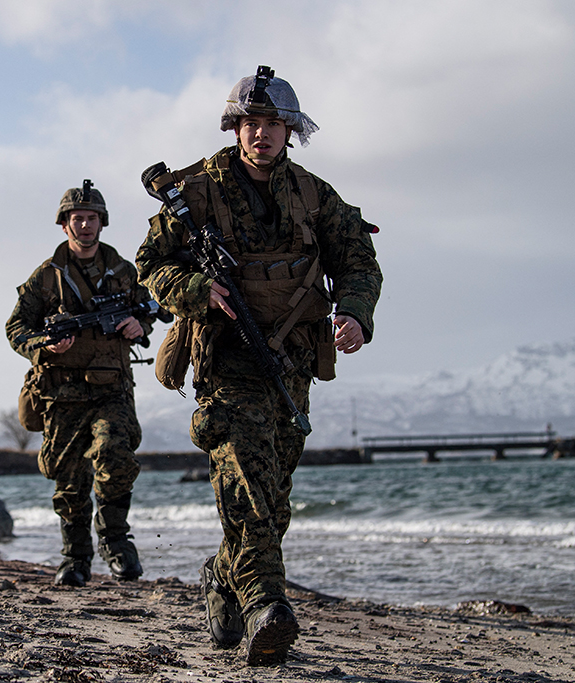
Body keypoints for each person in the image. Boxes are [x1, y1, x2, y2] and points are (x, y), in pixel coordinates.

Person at [136, 67, 382, 665]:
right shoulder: (195, 191)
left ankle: (222, 574)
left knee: (273, 500)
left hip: (292, 358)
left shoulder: (315, 194)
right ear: (236, 127)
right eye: (252, 123)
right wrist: (195, 287)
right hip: (226, 359)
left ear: (289, 130)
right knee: (246, 477)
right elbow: (149, 264)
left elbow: (358, 258)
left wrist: (353, 311)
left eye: (274, 124)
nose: (263, 134)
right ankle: (266, 604)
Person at [5, 180, 158, 587]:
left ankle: (116, 542)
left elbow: (157, 309)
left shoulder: (124, 271)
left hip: (112, 389)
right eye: (77, 218)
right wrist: (45, 346)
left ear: (102, 223)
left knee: (115, 457)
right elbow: (15, 328)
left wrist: (137, 324)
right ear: (64, 225)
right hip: (61, 392)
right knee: (68, 479)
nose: (85, 225)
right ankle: (74, 558)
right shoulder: (46, 277)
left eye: (91, 218)